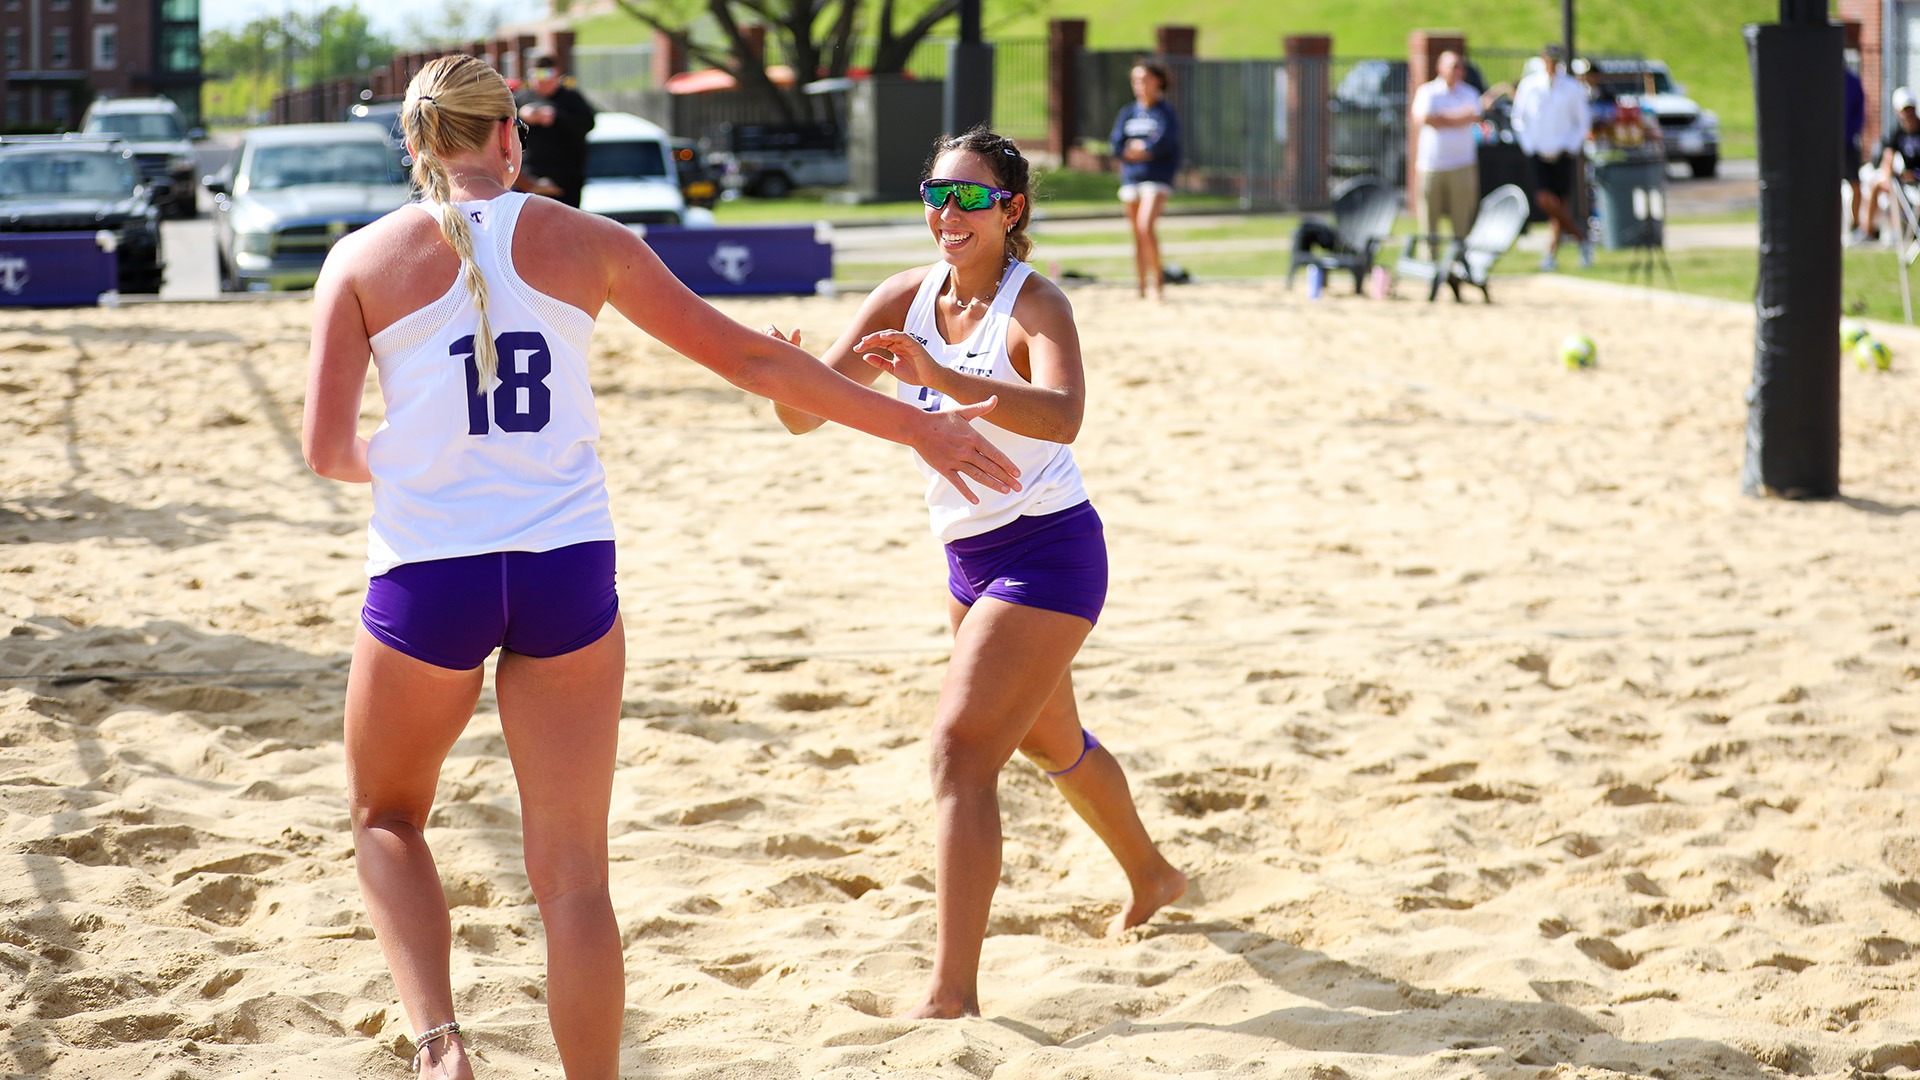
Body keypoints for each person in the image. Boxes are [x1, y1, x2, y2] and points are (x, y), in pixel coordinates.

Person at [303, 56, 1021, 1080]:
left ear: (413, 145)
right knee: (574, 878)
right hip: (565, 569)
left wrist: (415, 458)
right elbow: (757, 363)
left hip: (433, 569)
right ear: (512, 135)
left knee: (385, 818)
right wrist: (923, 432)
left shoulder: (360, 262)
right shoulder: (584, 240)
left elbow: (328, 451)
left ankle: (440, 1044)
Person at [767, 126, 1188, 1019]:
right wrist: (787, 375)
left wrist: (945, 378)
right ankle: (1154, 875)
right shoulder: (902, 296)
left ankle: (951, 995)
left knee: (961, 752)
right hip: (968, 558)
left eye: (969, 197)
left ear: (1011, 209)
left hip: (1049, 549)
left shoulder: (1037, 306)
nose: (947, 213)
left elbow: (1066, 415)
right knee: (1050, 740)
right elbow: (804, 420)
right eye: (935, 195)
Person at [1511, 43, 1592, 271]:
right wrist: (1529, 145)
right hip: (1538, 152)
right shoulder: (1530, 85)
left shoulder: (1571, 87)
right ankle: (1581, 239)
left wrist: (1571, 146)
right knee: (1545, 200)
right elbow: (1519, 118)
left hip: (1562, 152)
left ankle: (1551, 255)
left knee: (1560, 205)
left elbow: (1581, 121)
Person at [1410, 51, 1499, 259]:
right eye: (1454, 66)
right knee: (1429, 220)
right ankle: (1430, 263)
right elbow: (1424, 119)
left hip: (1462, 164)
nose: (1458, 71)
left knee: (1462, 220)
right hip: (1432, 165)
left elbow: (1475, 115)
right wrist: (1461, 116)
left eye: (1460, 66)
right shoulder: (1428, 92)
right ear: (1440, 68)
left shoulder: (1469, 92)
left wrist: (1443, 118)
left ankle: (1459, 262)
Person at [1109, 60, 1181, 301]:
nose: (1140, 85)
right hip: (1131, 177)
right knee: (1136, 234)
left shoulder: (1165, 112)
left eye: (1145, 79)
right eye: (1136, 80)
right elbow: (1116, 143)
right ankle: (1140, 286)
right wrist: (1135, 150)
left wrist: (1142, 149)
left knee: (1145, 226)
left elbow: (1164, 143)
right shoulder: (1128, 111)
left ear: (1157, 81)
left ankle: (1158, 281)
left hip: (1156, 177)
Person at [512, 49, 596, 207]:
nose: (541, 81)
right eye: (537, 76)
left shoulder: (571, 99)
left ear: (556, 74)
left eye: (546, 75)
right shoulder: (520, 99)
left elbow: (588, 124)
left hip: (565, 180)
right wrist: (522, 117)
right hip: (527, 178)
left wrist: (556, 117)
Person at [1862, 87, 1920, 246]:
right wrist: (1887, 175)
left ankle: (1904, 232)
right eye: (1904, 110)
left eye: (1910, 109)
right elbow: (1888, 156)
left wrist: (1916, 175)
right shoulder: (1898, 133)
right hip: (1905, 181)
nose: (1908, 113)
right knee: (1881, 183)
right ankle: (1867, 231)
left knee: (1896, 190)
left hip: (1917, 180)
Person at [1845, 60, 1868, 244]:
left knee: (1855, 185)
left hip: (1848, 143)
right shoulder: (1823, 81)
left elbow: (1859, 111)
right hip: (1828, 144)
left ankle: (1855, 226)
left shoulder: (1851, 81)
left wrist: (1851, 131)